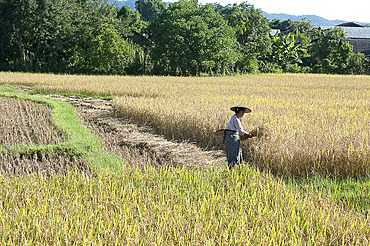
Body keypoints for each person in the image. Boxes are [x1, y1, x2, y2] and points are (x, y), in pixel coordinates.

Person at [224, 105, 252, 169]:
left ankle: (236, 167)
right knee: (234, 152)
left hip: (231, 136)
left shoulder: (234, 117)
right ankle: (233, 168)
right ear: (239, 112)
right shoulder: (235, 119)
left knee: (236, 151)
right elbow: (240, 131)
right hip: (232, 137)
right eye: (242, 113)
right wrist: (249, 135)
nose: (242, 114)